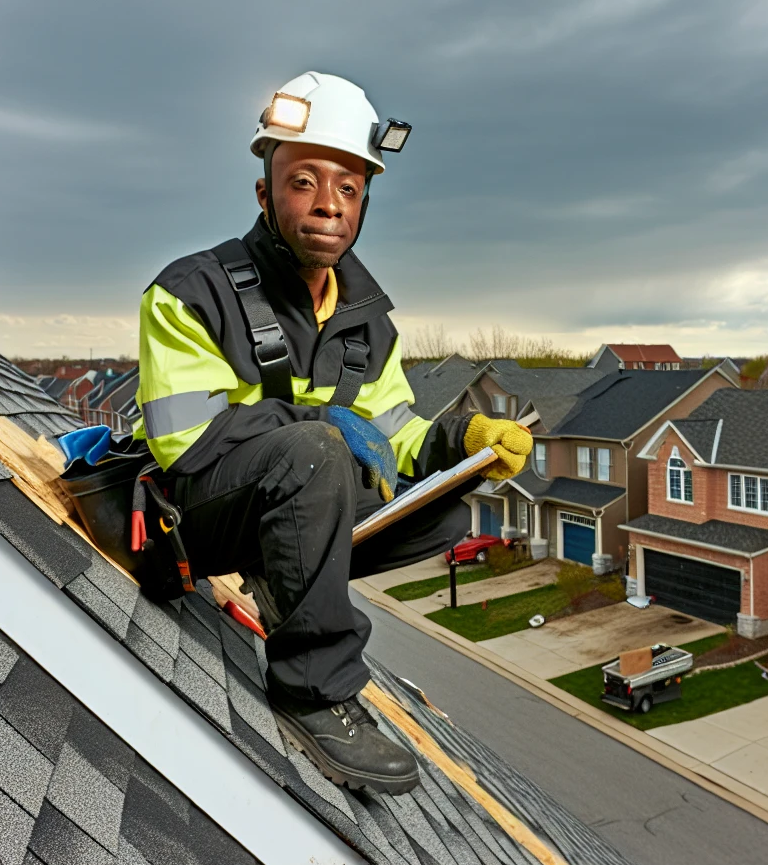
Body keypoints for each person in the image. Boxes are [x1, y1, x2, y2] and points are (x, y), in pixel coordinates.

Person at [134, 71, 532, 794]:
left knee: (445, 507)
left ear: (365, 203)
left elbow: (393, 433)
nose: (328, 204)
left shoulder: (366, 323)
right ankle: (312, 690)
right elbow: (185, 443)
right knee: (317, 451)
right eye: (304, 181)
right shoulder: (190, 292)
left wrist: (463, 440)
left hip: (287, 502)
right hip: (193, 516)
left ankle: (287, 571)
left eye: (349, 187)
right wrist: (323, 423)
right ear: (265, 193)